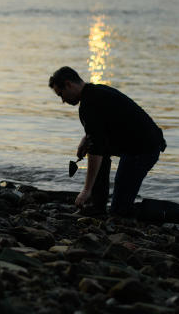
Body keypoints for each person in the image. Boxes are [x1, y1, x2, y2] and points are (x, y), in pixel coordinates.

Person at [48, 66, 166, 216]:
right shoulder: (96, 92)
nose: (63, 100)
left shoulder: (88, 105)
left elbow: (96, 150)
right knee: (95, 146)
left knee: (119, 210)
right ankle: (98, 205)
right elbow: (101, 128)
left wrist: (86, 190)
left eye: (61, 94)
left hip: (143, 149)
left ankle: (176, 214)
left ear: (69, 84)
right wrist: (86, 139)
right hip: (139, 143)